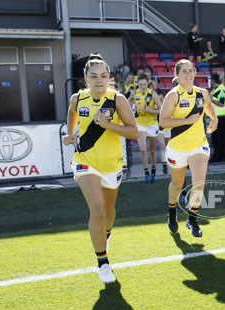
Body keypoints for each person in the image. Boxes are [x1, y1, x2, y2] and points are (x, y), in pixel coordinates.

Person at [62, 53, 138, 283]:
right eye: (94, 76)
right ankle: (103, 262)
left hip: (111, 163)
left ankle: (104, 236)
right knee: (97, 211)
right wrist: (69, 133)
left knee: (108, 212)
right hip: (85, 161)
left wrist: (108, 124)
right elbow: (71, 114)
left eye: (103, 76)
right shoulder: (78, 99)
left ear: (109, 78)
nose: (99, 80)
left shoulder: (118, 100)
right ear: (86, 78)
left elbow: (133, 132)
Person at [159, 59, 218, 237]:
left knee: (199, 184)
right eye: (184, 71)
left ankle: (192, 219)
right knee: (177, 185)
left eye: (191, 70)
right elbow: (163, 122)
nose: (188, 74)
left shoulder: (202, 93)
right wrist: (186, 120)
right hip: (177, 148)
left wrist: (214, 118)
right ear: (177, 75)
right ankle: (171, 213)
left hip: (199, 145)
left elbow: (208, 105)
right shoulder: (173, 95)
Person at [130, 74, 163, 183]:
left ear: (147, 84)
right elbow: (129, 101)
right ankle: (146, 173)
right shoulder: (135, 93)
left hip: (152, 124)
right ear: (137, 85)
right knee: (143, 149)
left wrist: (150, 110)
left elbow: (161, 109)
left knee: (152, 151)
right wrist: (132, 111)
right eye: (140, 84)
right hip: (140, 124)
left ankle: (153, 170)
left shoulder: (153, 93)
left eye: (144, 84)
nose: (143, 86)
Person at [209, 74, 225, 162]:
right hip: (216, 118)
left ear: (213, 81)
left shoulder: (221, 89)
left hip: (221, 118)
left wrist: (212, 100)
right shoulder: (215, 90)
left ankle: (218, 157)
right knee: (215, 139)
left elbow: (222, 103)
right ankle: (216, 156)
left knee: (219, 139)